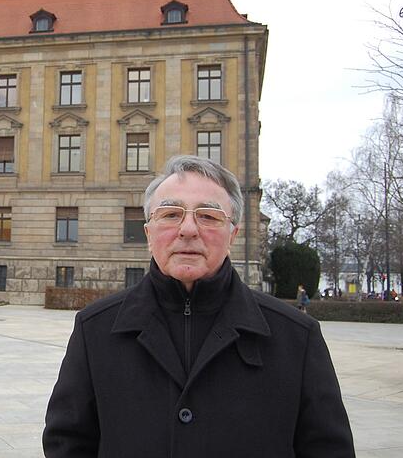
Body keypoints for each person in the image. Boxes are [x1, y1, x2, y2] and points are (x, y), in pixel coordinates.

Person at [43, 155, 354, 457]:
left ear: (233, 232)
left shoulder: (297, 337)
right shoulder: (94, 329)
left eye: (207, 216)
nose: (188, 229)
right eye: (170, 214)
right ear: (149, 233)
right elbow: (67, 443)